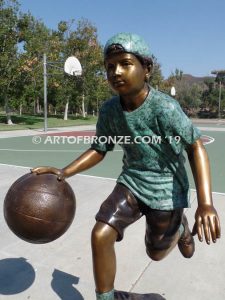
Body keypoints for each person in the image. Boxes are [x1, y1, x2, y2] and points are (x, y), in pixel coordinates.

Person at [32, 33, 221, 300]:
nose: (116, 72)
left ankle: (179, 229)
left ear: (147, 69)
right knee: (100, 233)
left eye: (125, 63)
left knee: (155, 253)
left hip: (166, 187)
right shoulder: (110, 110)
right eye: (110, 66)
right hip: (132, 181)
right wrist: (65, 171)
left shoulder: (165, 108)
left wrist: (205, 203)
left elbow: (195, 147)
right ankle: (106, 297)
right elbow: (100, 148)